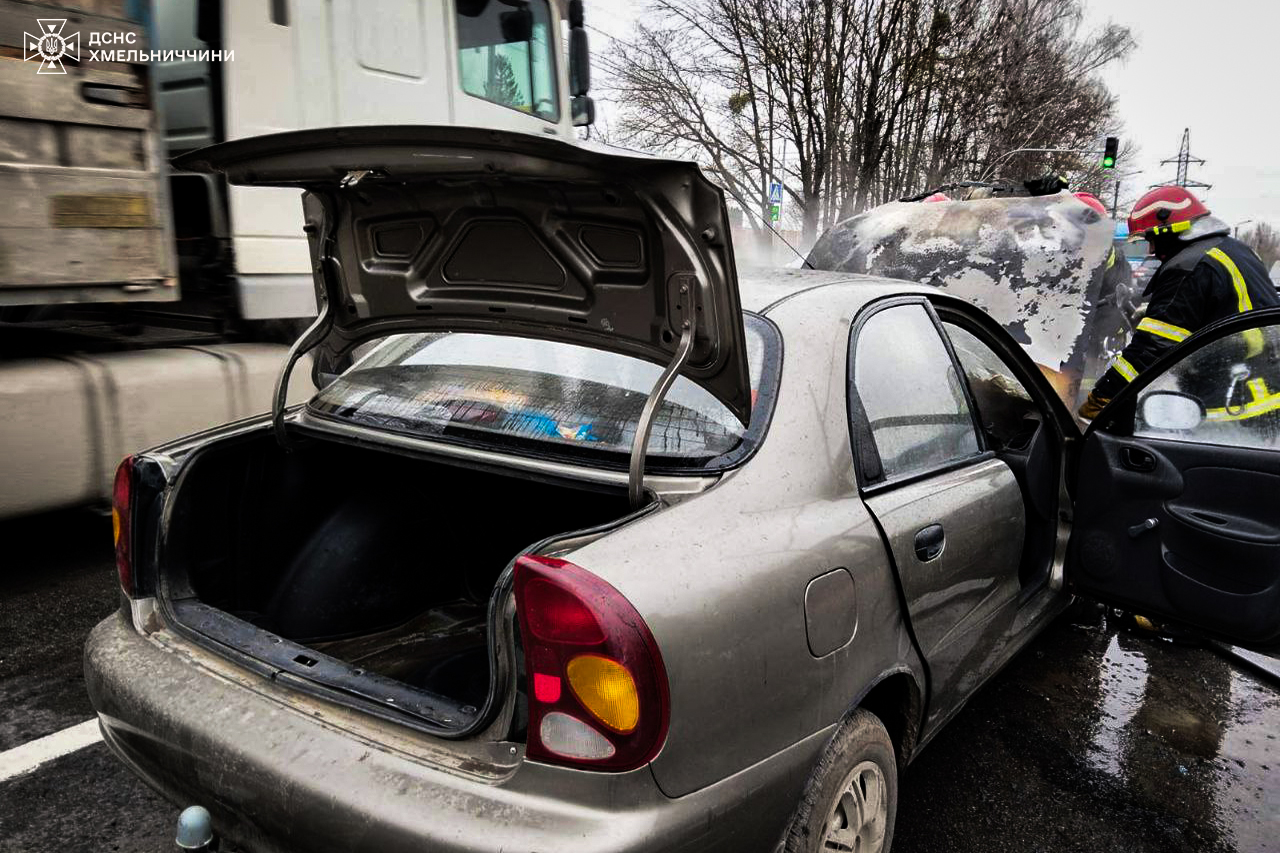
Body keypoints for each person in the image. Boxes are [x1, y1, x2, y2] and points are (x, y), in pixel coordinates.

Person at [1078, 186, 1280, 420]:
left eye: (1153, 239)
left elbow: (1152, 348)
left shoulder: (1189, 266)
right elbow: (1221, 309)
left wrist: (1102, 398)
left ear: (1171, 229)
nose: (1152, 250)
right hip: (1264, 389)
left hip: (1233, 404)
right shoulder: (1234, 249)